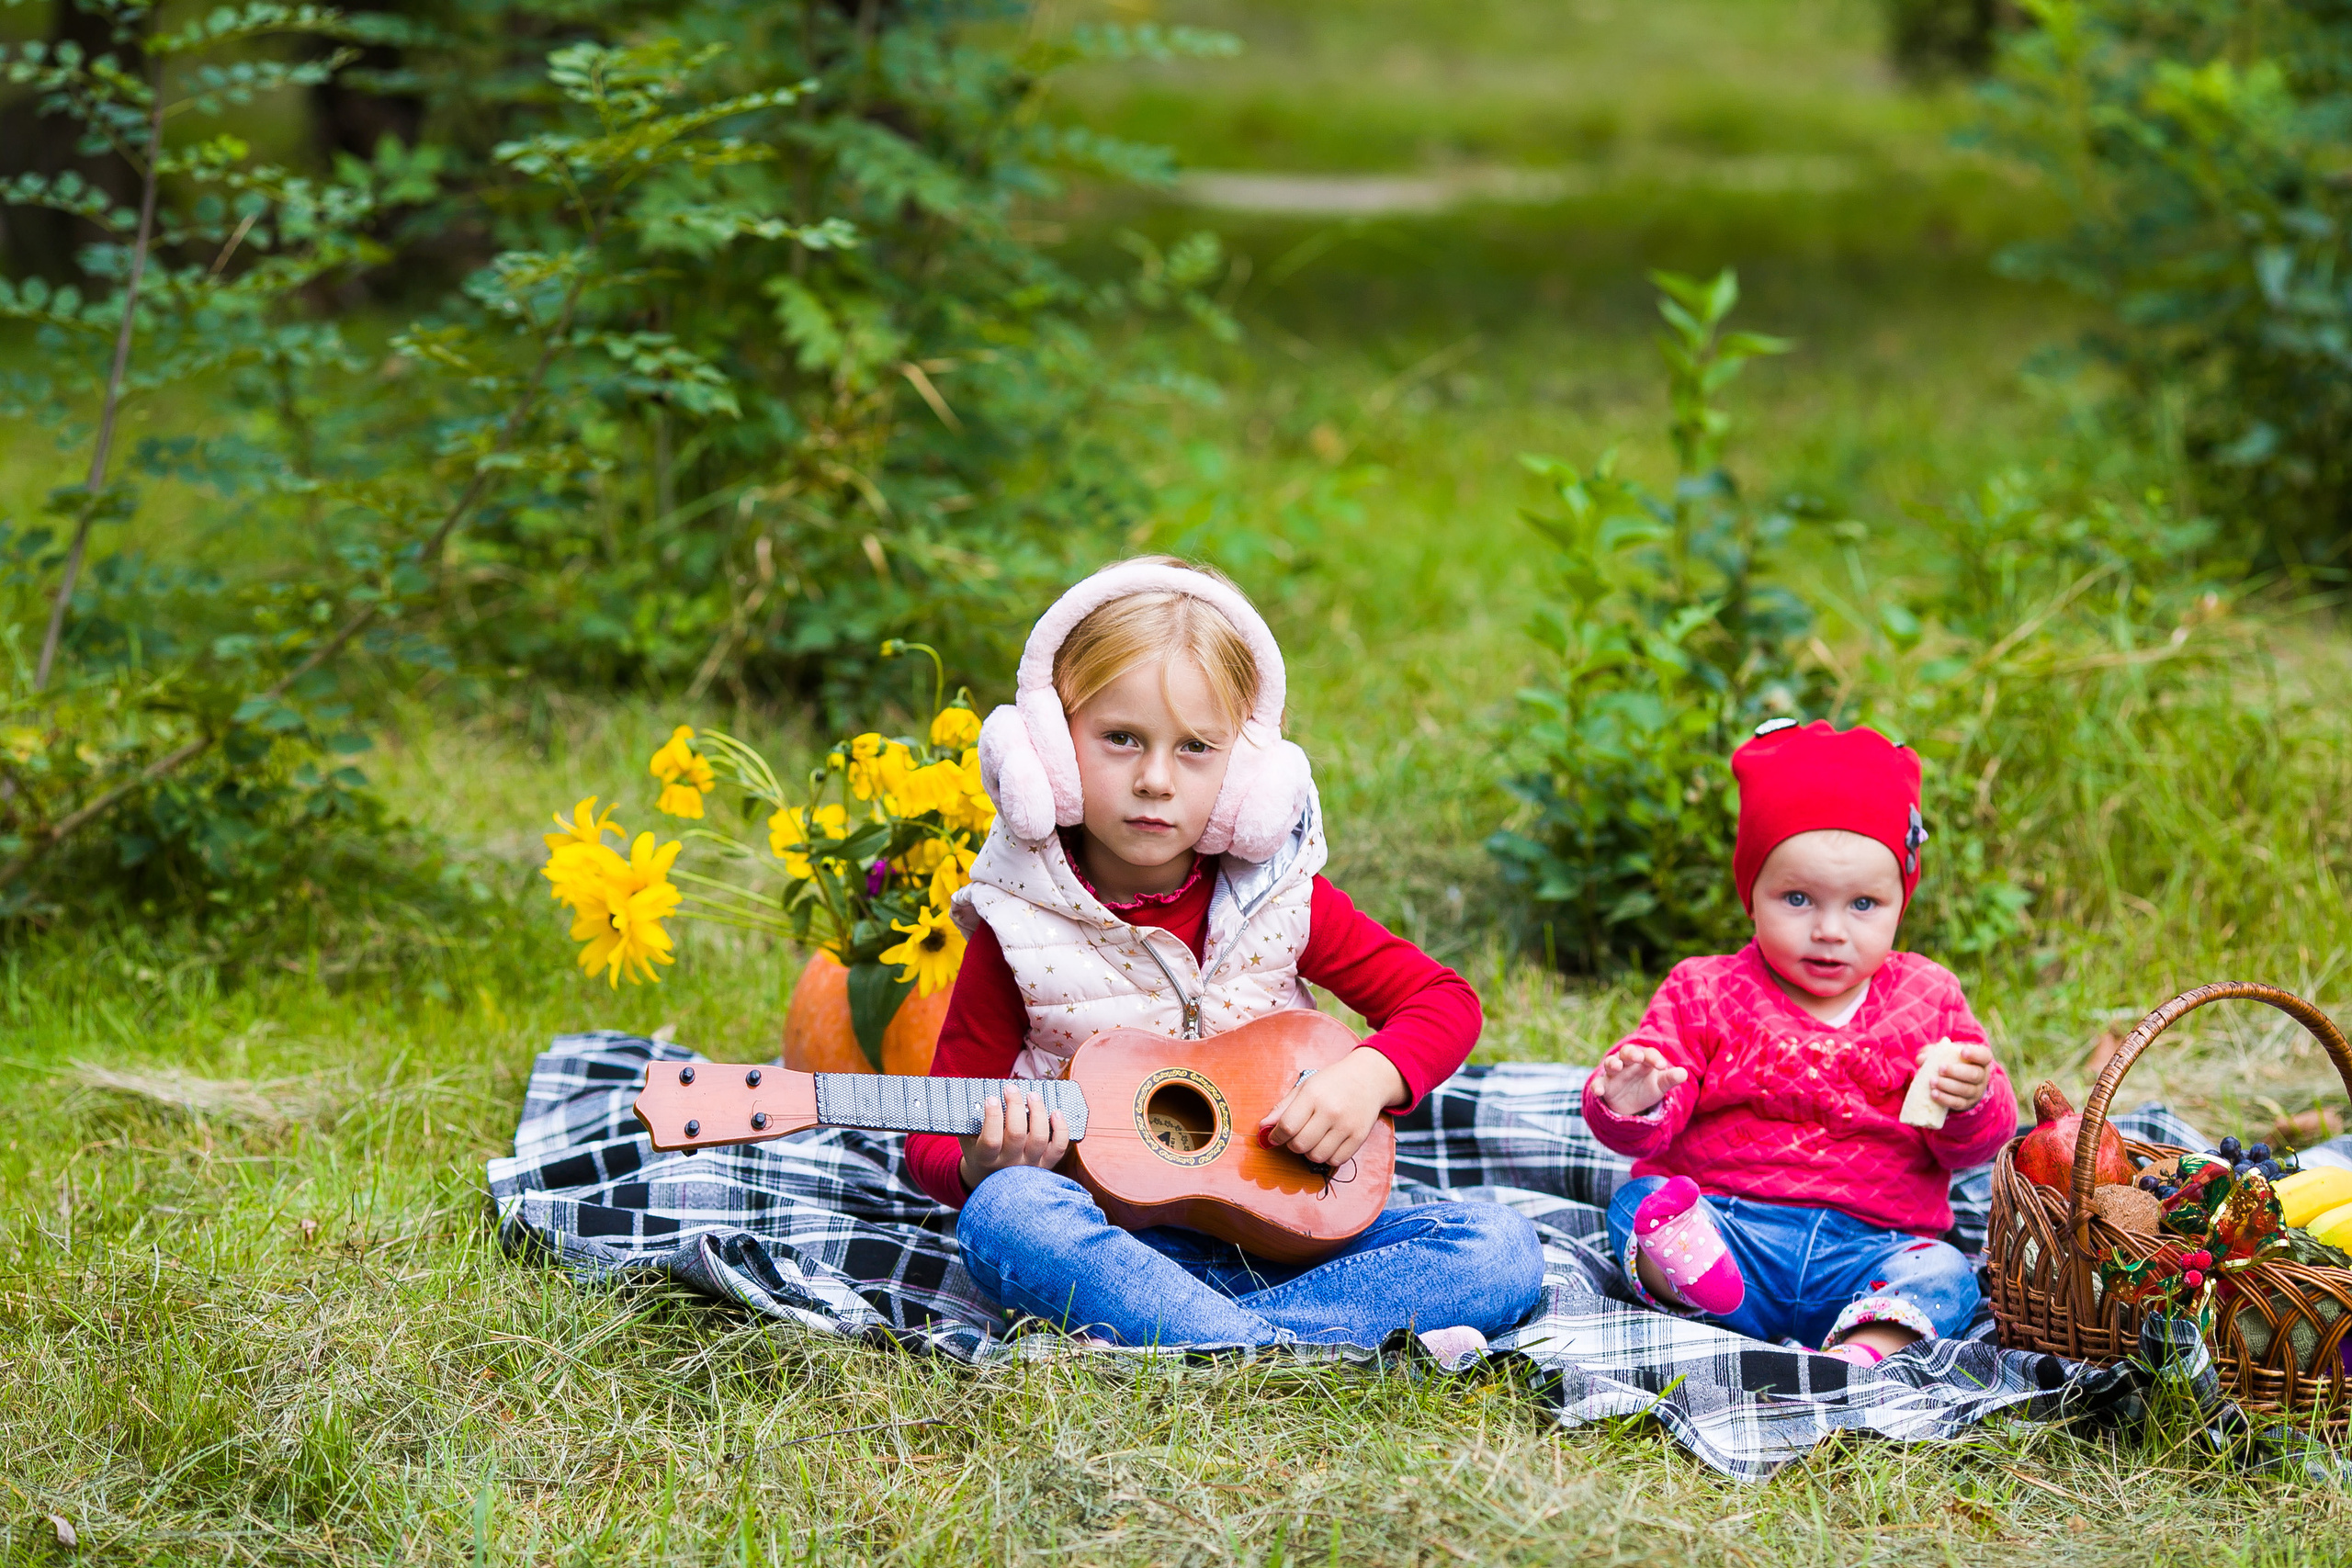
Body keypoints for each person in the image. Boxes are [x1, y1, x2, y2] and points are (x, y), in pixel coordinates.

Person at [905, 557, 1544, 1356]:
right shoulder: (1019, 927)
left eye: (1196, 747)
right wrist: (980, 1161)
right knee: (1006, 1218)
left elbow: (1444, 1001)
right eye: (1120, 739)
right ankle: (1283, 1348)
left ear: (1247, 776)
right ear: (1052, 755)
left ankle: (1217, 1345)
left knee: (1501, 1246)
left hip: (1291, 1243)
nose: (1155, 779)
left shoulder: (1285, 902)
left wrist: (1368, 1075)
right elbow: (926, 1136)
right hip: (1114, 1250)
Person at [1583, 719, 2017, 1365]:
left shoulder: (1928, 997)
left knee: (1947, 1272)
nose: (1830, 930)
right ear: (1751, 897)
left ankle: (1861, 1349)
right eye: (1797, 898)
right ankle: (1714, 1295)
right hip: (1729, 1227)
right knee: (1638, 1206)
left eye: (1864, 904)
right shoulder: (1705, 989)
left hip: (1873, 1248)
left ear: (1902, 901)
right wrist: (1632, 1098)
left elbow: (1975, 1148)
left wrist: (1971, 1100)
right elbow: (1640, 1128)